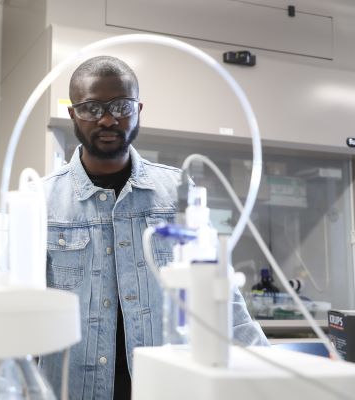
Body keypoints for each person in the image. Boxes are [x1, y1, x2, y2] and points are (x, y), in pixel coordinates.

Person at [38, 56, 268, 400]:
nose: (107, 118)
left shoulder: (179, 193)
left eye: (121, 105)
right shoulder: (40, 201)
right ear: (72, 113)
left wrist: (274, 372)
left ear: (138, 108)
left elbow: (224, 306)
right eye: (91, 108)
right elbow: (18, 321)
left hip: (167, 390)